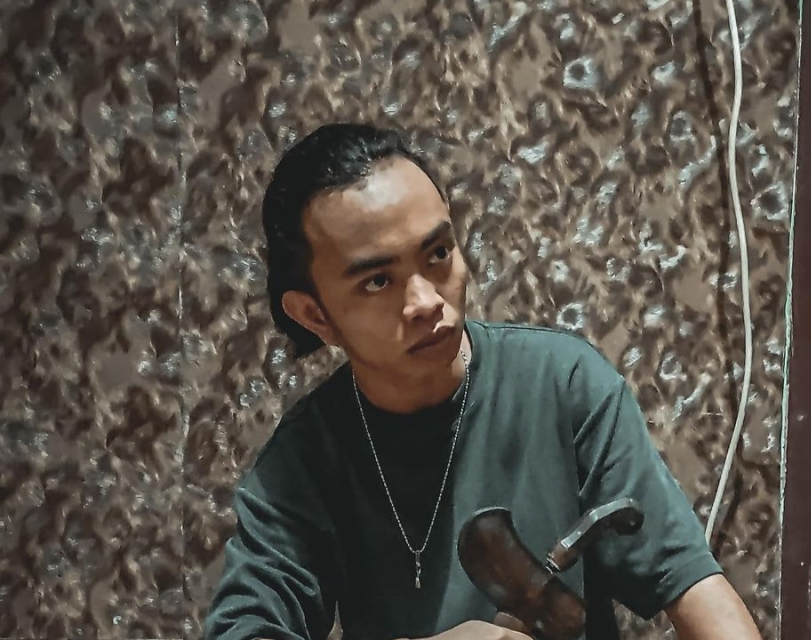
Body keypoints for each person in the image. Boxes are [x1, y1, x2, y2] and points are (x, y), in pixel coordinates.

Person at [204, 123, 762, 640]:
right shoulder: (302, 464)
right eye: (377, 281)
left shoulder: (562, 384)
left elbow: (693, 585)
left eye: (438, 253)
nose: (426, 301)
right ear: (315, 315)